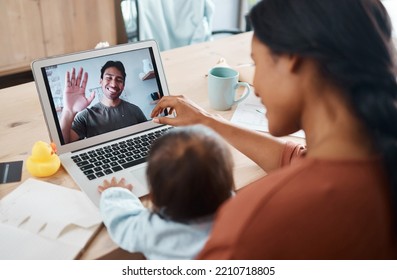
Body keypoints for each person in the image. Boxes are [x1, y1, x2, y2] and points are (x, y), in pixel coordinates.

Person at [151, 0, 397, 259]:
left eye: (257, 63)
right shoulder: (375, 160)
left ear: (292, 58)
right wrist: (208, 120)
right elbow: (299, 161)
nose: (255, 85)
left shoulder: (251, 226)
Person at [97, 125, 235, 259]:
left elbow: (122, 224)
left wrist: (114, 193)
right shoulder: (240, 218)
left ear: (153, 197)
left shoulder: (152, 231)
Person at [60, 60, 147, 143]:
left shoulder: (135, 110)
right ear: (101, 81)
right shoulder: (86, 116)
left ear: (123, 86)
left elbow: (148, 137)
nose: (113, 84)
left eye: (119, 80)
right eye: (109, 78)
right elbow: (65, 142)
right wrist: (69, 111)